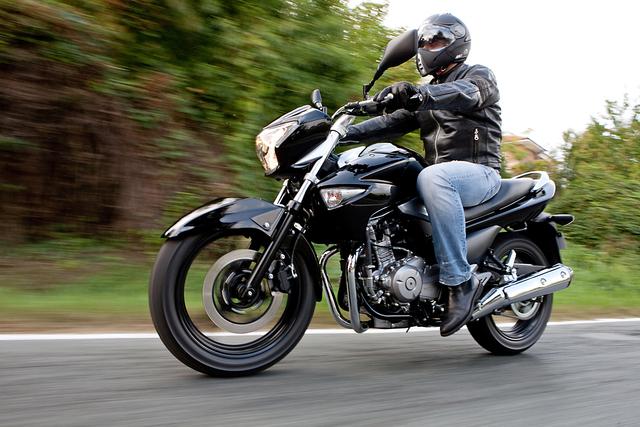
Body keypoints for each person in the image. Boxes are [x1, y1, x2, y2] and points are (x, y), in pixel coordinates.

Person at [344, 13, 502, 337]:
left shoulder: (478, 76)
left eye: (436, 41)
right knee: (375, 176)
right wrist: (339, 133)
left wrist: (419, 94)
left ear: (456, 44)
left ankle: (460, 282)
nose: (427, 48)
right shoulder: (427, 93)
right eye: (424, 43)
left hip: (480, 173)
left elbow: (465, 94)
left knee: (432, 177)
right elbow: (389, 124)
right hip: (440, 176)